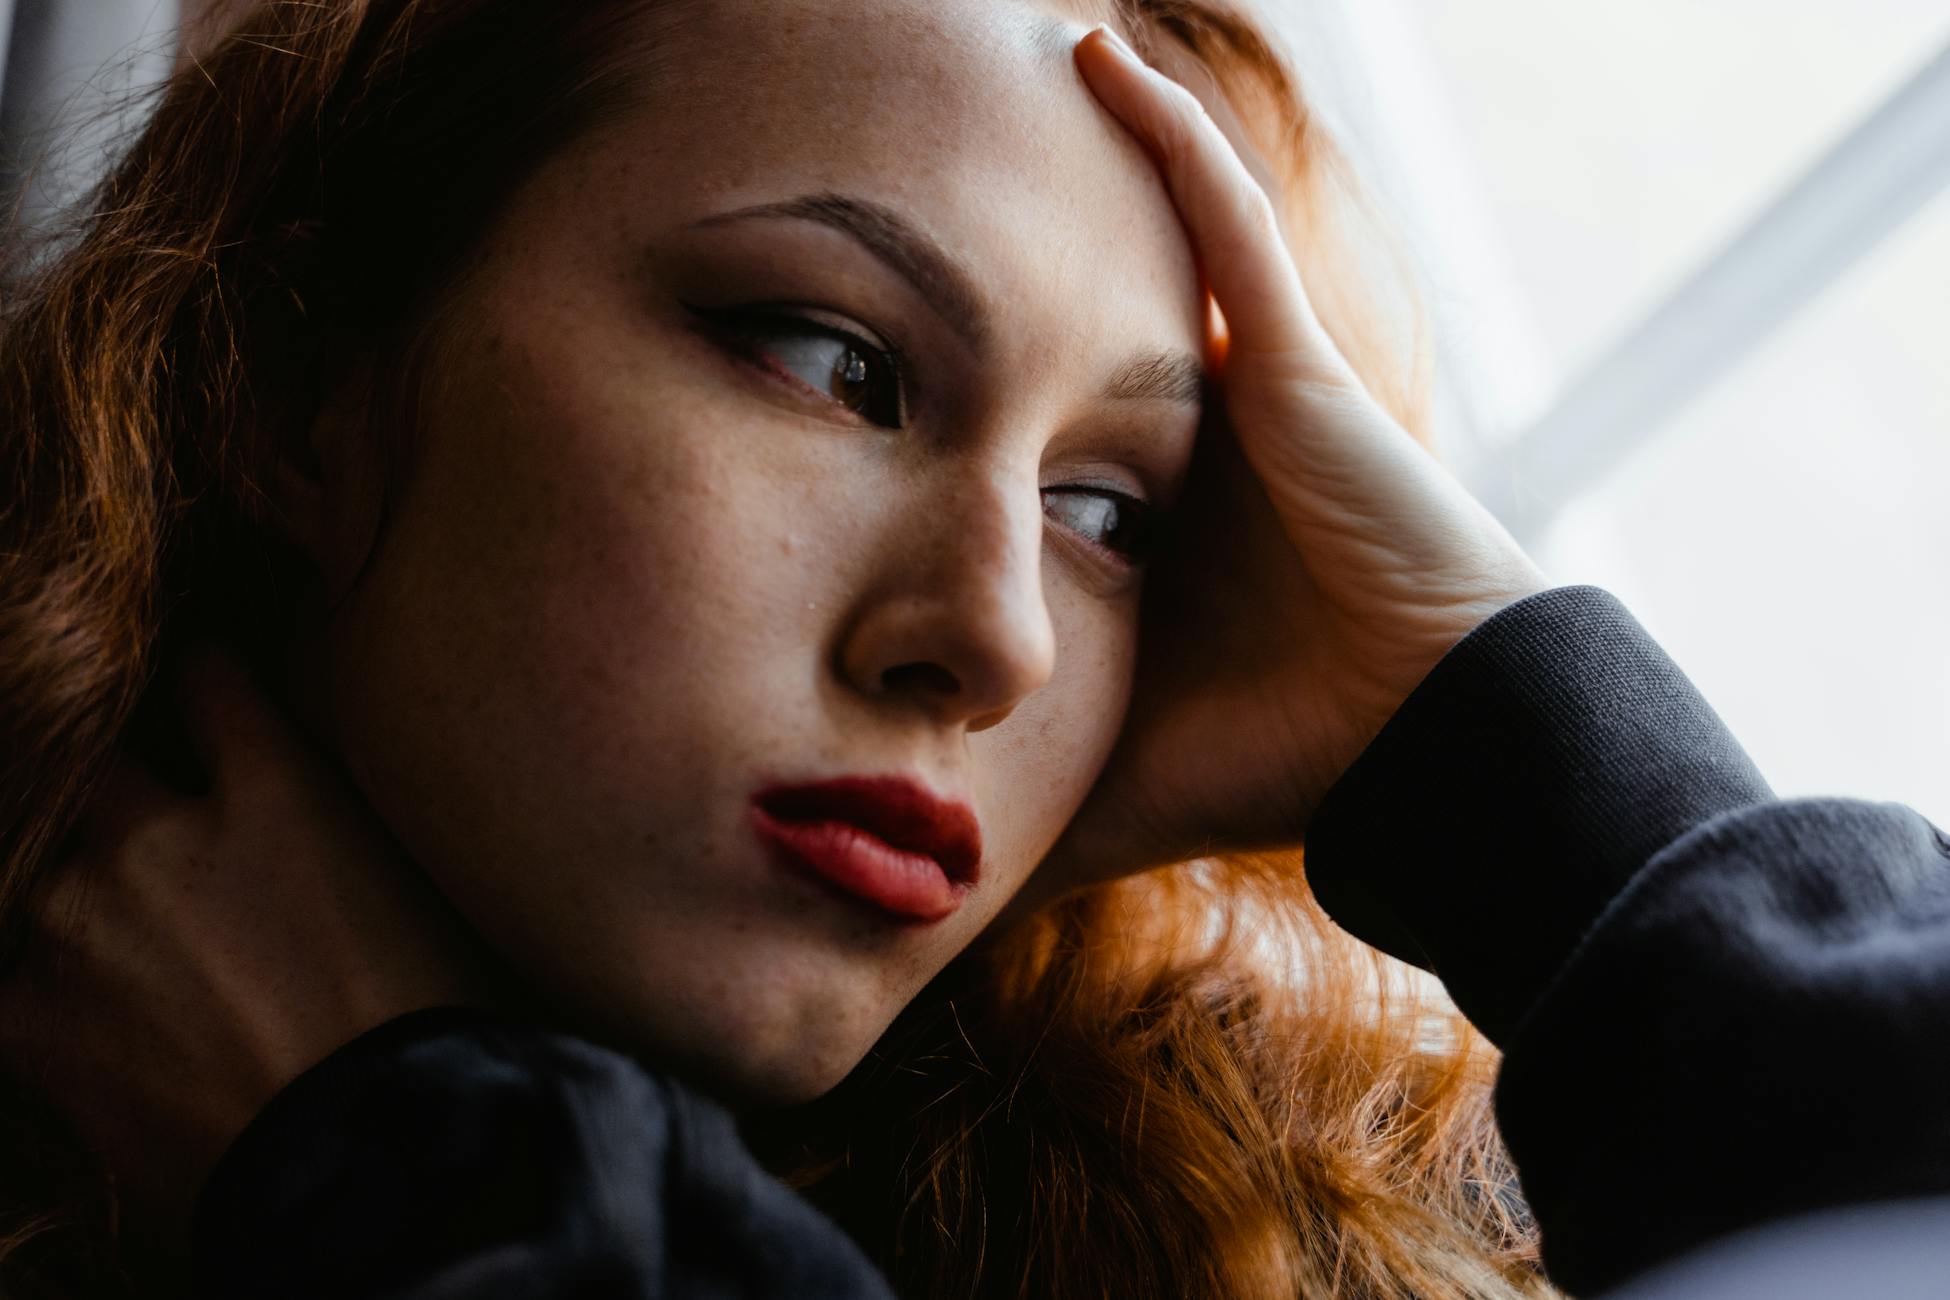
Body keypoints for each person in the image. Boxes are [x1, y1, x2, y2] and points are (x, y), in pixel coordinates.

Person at [0, 2, 1944, 1297]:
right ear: (294, 375)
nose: (999, 634)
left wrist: (1517, 737)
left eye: (1109, 514)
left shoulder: (1276, 1230)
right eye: (834, 361)